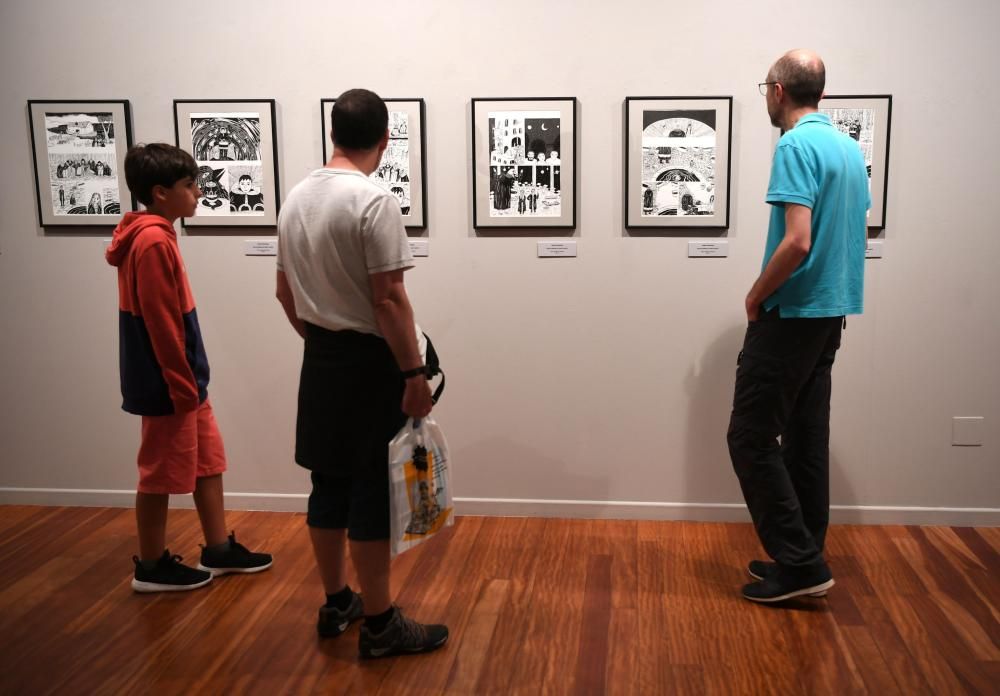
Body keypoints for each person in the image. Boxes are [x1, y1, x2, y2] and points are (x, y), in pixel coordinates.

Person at [275, 88, 448, 659]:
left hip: (321, 358)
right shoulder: (373, 200)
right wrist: (414, 373)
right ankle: (379, 625)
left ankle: (337, 601)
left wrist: (323, 341)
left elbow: (284, 292)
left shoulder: (296, 197)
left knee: (327, 484)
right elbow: (389, 299)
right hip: (371, 364)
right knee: (371, 491)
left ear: (333, 132)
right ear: (386, 137)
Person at [728, 50, 869, 603]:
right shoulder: (849, 149)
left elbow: (798, 240)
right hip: (831, 314)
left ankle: (801, 563)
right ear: (822, 94)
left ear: (779, 90)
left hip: (791, 314)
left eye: (766, 87)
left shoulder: (794, 145)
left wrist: (756, 294)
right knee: (806, 438)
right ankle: (806, 556)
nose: (766, 96)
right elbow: (852, 233)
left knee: (750, 438)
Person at [106, 143, 272, 593]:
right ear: (161, 193)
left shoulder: (157, 235)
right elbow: (161, 324)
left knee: (207, 460)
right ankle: (152, 564)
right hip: (169, 383)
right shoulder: (153, 240)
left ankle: (217, 548)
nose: (198, 192)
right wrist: (180, 385)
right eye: (189, 185)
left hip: (184, 381)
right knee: (159, 472)